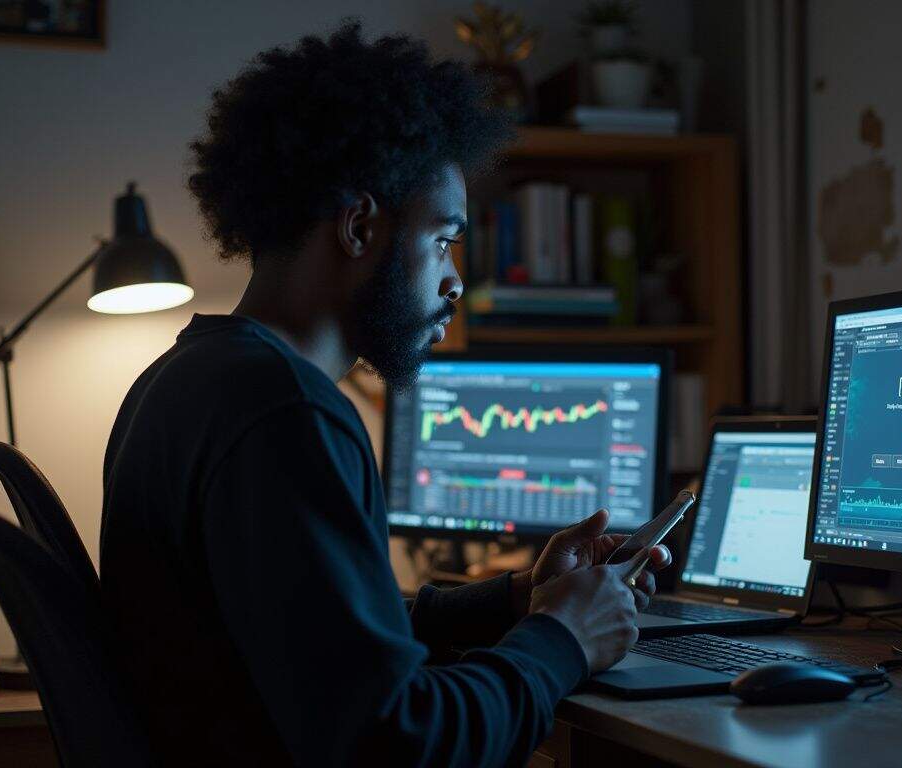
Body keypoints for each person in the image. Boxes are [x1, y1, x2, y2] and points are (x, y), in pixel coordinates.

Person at [99, 20, 669, 767]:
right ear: (361, 225)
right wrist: (563, 639)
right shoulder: (286, 414)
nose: (455, 279)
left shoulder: (185, 380)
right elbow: (402, 743)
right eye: (442, 239)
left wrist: (516, 599)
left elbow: (317, 631)